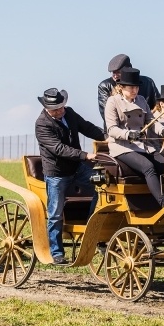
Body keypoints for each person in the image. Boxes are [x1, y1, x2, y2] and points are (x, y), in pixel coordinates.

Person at [35, 87, 106, 265]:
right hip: (57, 174)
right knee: (55, 214)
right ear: (47, 109)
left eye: (62, 106)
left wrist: (105, 136)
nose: (61, 111)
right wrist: (85, 155)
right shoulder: (42, 124)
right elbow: (59, 149)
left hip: (78, 168)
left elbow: (87, 127)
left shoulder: (69, 113)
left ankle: (92, 228)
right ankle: (57, 252)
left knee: (102, 186)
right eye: (56, 109)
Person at [104, 67, 164, 207]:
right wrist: (129, 134)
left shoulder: (141, 100)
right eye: (131, 87)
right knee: (148, 167)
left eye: (137, 87)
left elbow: (151, 122)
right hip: (122, 147)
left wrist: (163, 130)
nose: (135, 90)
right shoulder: (112, 102)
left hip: (144, 146)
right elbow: (112, 129)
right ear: (121, 87)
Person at [97, 54, 159, 126]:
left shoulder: (148, 82)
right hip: (117, 131)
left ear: (128, 70)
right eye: (113, 72)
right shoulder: (104, 86)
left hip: (146, 130)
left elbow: (158, 107)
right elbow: (107, 115)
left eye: (118, 72)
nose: (115, 75)